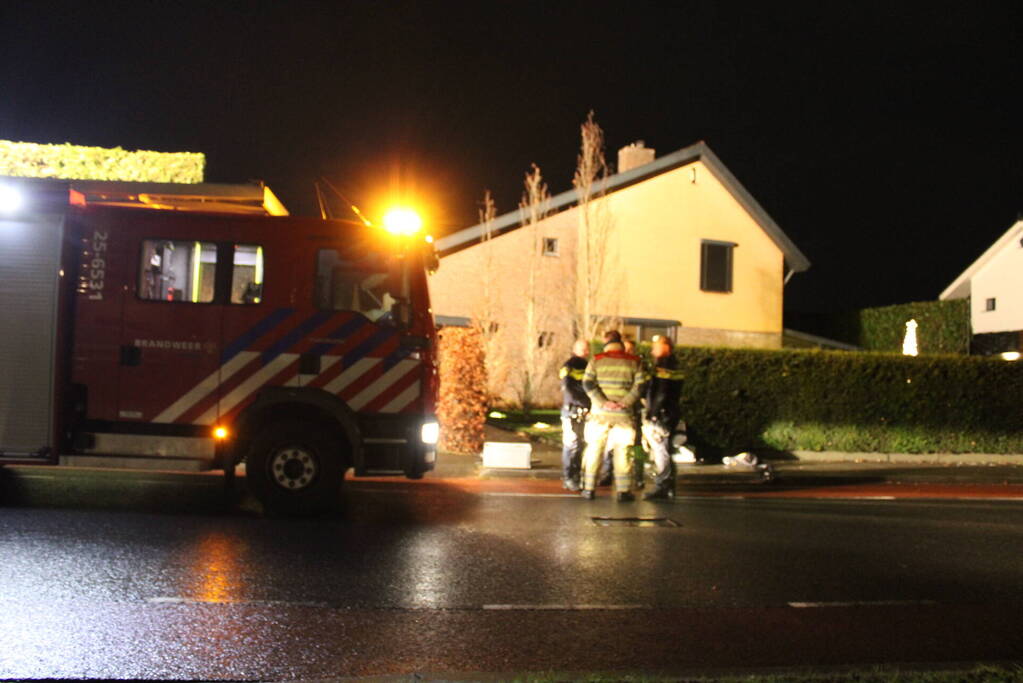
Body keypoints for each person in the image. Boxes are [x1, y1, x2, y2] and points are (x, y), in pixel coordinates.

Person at [579, 330, 646, 501]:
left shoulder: (597, 360)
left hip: (600, 414)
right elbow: (640, 387)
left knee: (594, 448)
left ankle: (588, 488)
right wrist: (625, 402)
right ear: (622, 345)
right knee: (623, 451)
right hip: (623, 414)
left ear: (606, 344)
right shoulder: (635, 361)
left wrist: (602, 402)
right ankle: (623, 491)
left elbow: (587, 383)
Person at [641, 334, 684, 500]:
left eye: (656, 345)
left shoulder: (664, 366)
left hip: (662, 415)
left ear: (666, 347)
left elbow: (661, 393)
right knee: (665, 450)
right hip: (669, 412)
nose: (653, 349)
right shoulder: (674, 365)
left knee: (661, 451)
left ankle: (663, 486)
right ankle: (668, 485)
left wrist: (652, 414)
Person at [558, 339, 591, 491]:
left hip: (582, 409)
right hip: (571, 410)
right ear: (575, 349)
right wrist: (581, 403)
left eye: (587, 349)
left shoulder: (588, 365)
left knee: (580, 444)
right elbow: (568, 388)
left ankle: (575, 475)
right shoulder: (569, 365)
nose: (586, 352)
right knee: (571, 444)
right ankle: (568, 476)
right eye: (583, 349)